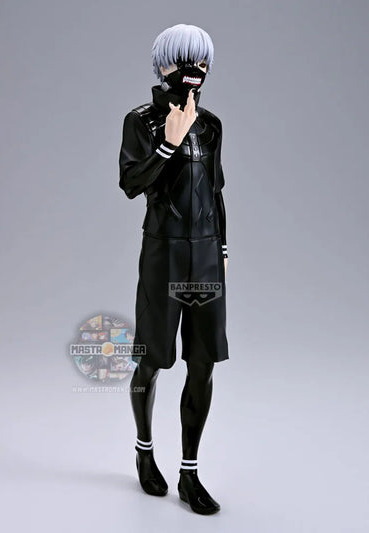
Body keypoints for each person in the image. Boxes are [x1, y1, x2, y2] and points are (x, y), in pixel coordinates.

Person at [118, 23, 229, 515]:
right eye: (184, 61)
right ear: (163, 65)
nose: (194, 70)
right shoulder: (140, 121)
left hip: (205, 259)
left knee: (202, 363)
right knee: (152, 359)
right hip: (162, 255)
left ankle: (190, 473)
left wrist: (222, 250)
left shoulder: (211, 125)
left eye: (202, 62)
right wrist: (166, 144)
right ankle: (144, 452)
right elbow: (130, 184)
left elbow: (217, 191)